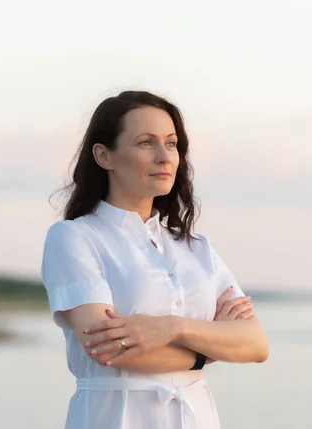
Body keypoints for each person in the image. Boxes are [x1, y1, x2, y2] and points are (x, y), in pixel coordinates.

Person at [41, 90, 269, 429]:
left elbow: (255, 344)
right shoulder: (74, 238)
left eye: (172, 143)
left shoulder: (196, 248)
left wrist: (171, 328)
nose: (165, 157)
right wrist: (211, 347)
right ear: (104, 156)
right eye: (147, 143)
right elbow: (106, 349)